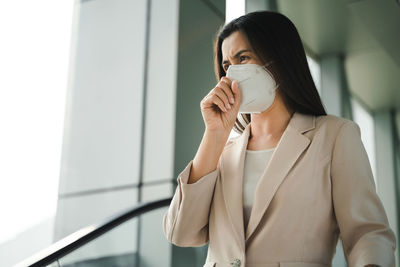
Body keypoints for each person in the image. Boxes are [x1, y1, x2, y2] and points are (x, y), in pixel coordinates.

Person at [163, 11, 396, 267]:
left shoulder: (334, 136)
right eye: (227, 65)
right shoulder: (222, 150)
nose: (232, 75)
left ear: (278, 58)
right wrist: (214, 134)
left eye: (243, 58)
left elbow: (367, 234)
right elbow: (180, 233)